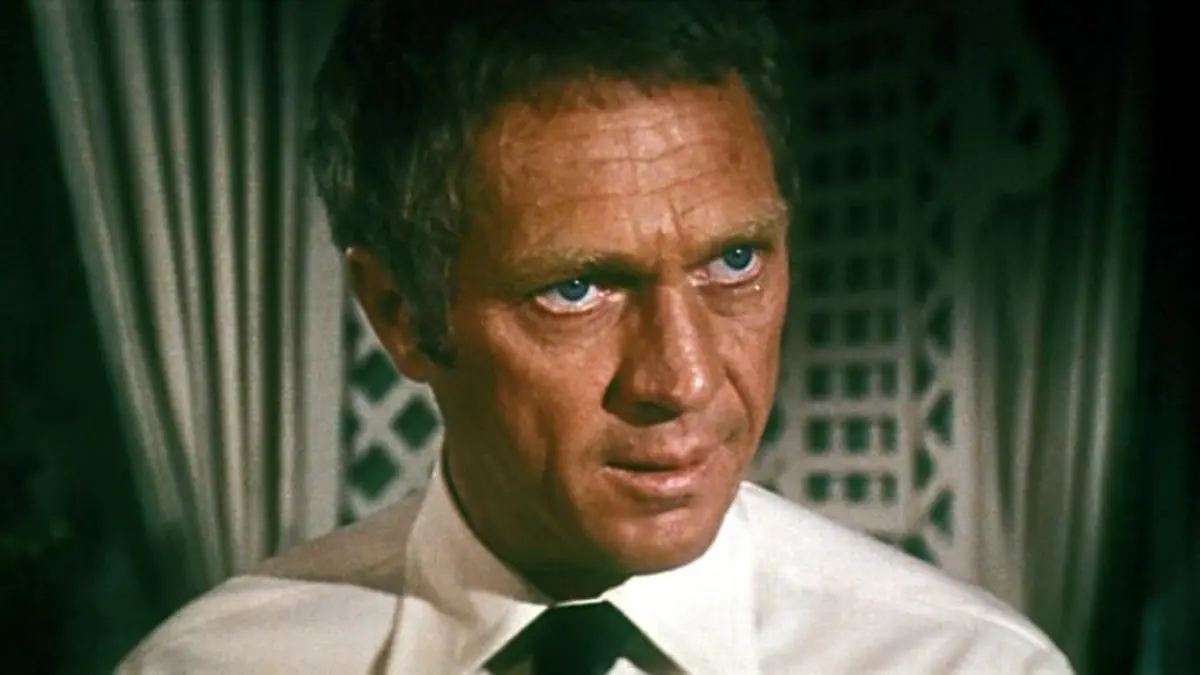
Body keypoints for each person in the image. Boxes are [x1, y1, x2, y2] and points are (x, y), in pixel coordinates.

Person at [119, 1, 1074, 672]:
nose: (684, 377)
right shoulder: (208, 668)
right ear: (400, 312)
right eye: (576, 288)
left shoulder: (968, 665)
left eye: (735, 260)